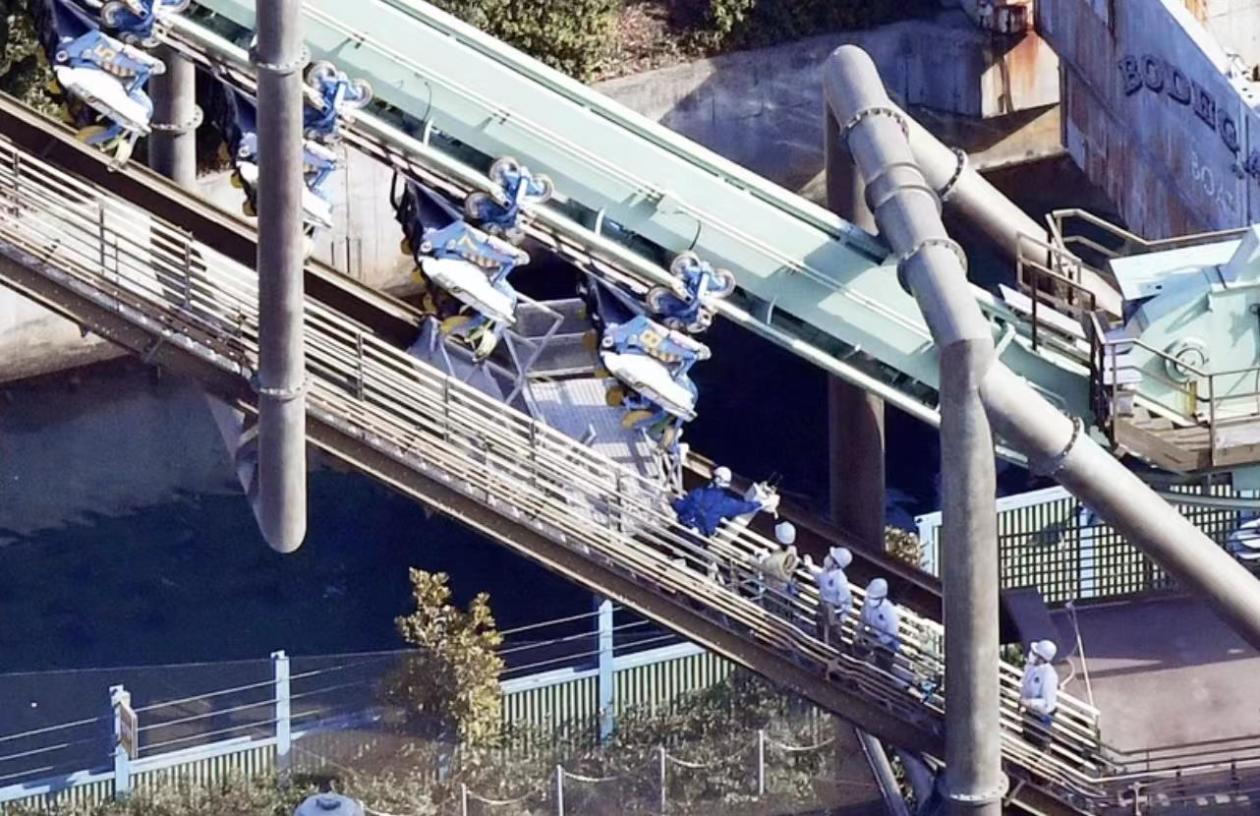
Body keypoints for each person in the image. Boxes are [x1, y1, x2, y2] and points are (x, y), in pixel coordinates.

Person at [671, 465, 767, 537]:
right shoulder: (725, 502)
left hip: (679, 529)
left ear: (715, 478)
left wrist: (673, 499)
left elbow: (681, 507)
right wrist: (761, 503)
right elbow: (743, 507)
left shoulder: (698, 492)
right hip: (698, 538)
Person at [806, 546, 853, 647]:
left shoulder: (840, 581)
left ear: (836, 565)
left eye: (831, 558)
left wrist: (841, 618)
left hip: (833, 612)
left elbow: (847, 601)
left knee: (831, 639)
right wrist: (809, 567)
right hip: (822, 606)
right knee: (820, 630)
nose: (827, 558)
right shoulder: (826, 571)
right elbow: (819, 578)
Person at [1020, 639, 1060, 748]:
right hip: (1029, 713)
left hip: (1040, 718)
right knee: (1027, 741)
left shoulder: (1049, 675)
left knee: (1037, 745)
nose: (1031, 655)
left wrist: (1030, 703)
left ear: (1041, 657)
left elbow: (1048, 703)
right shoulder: (1031, 668)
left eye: (1035, 653)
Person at [757, 522, 800, 622]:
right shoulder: (793, 550)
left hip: (773, 590)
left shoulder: (772, 560)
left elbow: (760, 569)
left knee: (772, 615)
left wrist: (751, 559)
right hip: (786, 588)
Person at [858, 578, 901, 676]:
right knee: (858, 649)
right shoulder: (867, 603)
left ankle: (882, 676)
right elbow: (862, 619)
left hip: (887, 642)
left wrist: (877, 643)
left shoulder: (890, 612)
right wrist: (858, 633)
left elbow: (892, 633)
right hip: (872, 635)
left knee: (883, 662)